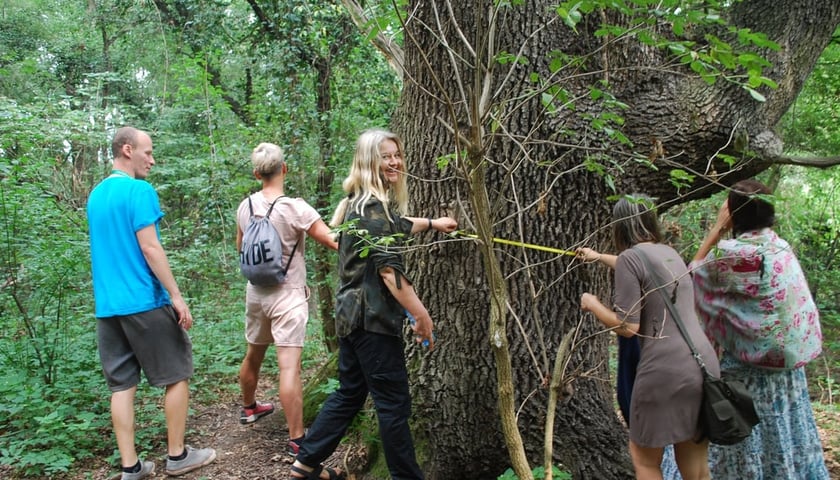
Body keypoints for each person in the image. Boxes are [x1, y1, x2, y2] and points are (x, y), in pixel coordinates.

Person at [289, 129, 457, 480]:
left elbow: (396, 226)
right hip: (372, 321)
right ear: (369, 161)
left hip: (352, 318)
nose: (394, 161)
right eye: (385, 156)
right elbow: (388, 271)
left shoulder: (359, 204)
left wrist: (433, 223)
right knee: (393, 405)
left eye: (397, 154)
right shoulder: (372, 208)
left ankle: (305, 463)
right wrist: (421, 314)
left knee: (351, 393)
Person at [86, 127, 216, 479]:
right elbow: (150, 247)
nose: (152, 160)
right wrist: (175, 295)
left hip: (108, 309)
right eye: (148, 152)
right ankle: (178, 456)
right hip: (143, 300)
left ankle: (131, 467)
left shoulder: (96, 195)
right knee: (177, 374)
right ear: (127, 150)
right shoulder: (138, 190)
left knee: (122, 385)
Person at [690, 179, 827, 479]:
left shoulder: (731, 254)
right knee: (785, 436)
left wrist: (716, 230)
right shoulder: (780, 247)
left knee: (745, 444)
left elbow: (691, 279)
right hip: (788, 369)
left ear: (733, 215)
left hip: (745, 376)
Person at [579, 194, 719, 480]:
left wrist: (592, 304)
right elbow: (640, 268)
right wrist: (598, 257)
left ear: (619, 225)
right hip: (701, 364)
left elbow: (627, 327)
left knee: (645, 461)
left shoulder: (631, 258)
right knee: (696, 466)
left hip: (663, 372)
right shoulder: (669, 253)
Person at [235, 142, 338, 457]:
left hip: (256, 293)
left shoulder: (245, 206)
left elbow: (241, 247)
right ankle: (297, 439)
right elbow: (334, 241)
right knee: (289, 367)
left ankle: (250, 407)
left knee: (253, 354)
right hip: (288, 295)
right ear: (284, 169)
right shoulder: (296, 208)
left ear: (256, 173)